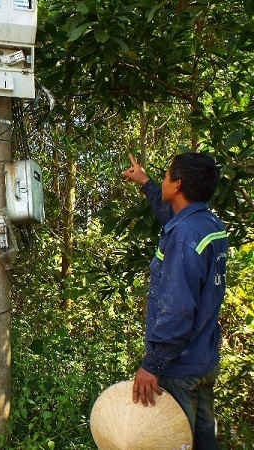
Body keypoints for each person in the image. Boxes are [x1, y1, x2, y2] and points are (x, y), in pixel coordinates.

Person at [122, 152, 228, 449]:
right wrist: (145, 183)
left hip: (179, 367)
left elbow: (178, 310)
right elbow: (173, 217)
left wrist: (152, 366)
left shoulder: (183, 237)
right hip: (204, 360)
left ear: (178, 184)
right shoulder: (206, 224)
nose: (164, 180)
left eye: (167, 176)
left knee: (175, 442)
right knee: (204, 441)